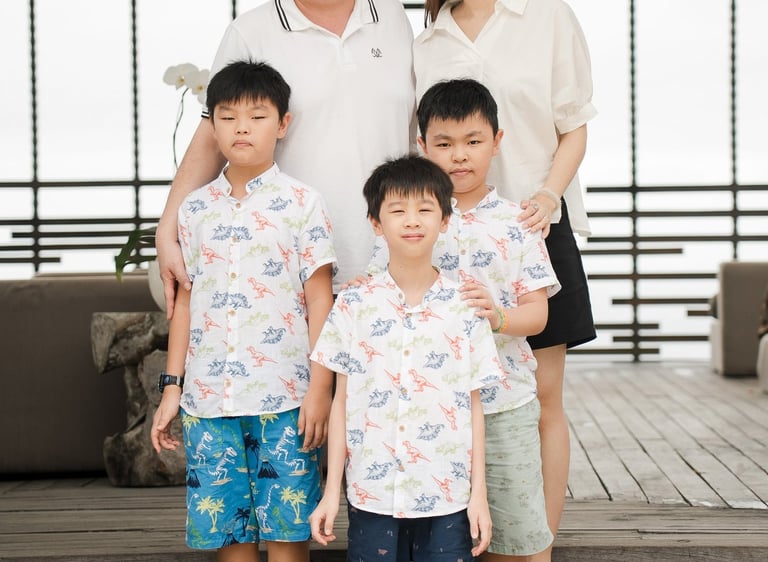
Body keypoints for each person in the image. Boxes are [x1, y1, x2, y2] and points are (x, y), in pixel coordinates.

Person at [413, 2, 598, 558]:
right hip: (454, 236)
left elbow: (575, 127)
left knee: (541, 397)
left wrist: (546, 195)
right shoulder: (427, 39)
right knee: (462, 398)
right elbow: (426, 136)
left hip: (536, 224)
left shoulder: (547, 17)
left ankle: (538, 540)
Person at [150, 60, 337, 562]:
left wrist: (321, 390)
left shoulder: (303, 204)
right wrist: (173, 388)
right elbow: (184, 302)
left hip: (286, 397)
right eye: (227, 117)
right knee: (227, 539)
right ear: (210, 125)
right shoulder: (193, 210)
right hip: (208, 403)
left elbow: (321, 299)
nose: (241, 128)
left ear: (283, 124)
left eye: (257, 116)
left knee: (286, 536)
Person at [370, 79, 561, 559]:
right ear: (422, 145)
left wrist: (497, 317)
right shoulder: (410, 219)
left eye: (473, 141)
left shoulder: (519, 223)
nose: (459, 155)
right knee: (448, 544)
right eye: (444, 144)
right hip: (427, 415)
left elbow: (538, 316)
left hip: (505, 405)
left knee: (520, 538)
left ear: (497, 142)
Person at [156, 0, 416, 314]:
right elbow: (214, 138)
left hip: (396, 272)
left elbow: (422, 133)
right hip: (292, 279)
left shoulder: (392, 16)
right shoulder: (251, 32)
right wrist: (166, 231)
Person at [308, 155, 505, 561]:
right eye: (398, 210)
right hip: (372, 494)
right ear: (376, 223)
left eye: (425, 209)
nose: (412, 220)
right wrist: (331, 493)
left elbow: (474, 408)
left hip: (447, 495)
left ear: (445, 220)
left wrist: (478, 496)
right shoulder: (353, 304)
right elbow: (341, 403)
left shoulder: (466, 305)